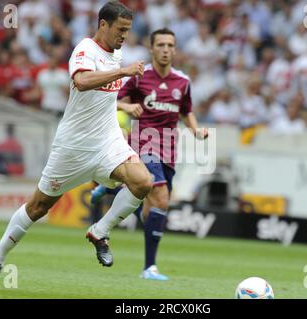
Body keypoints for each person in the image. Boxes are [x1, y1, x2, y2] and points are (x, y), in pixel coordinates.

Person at [0, 1, 153, 290]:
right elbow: (83, 82)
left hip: (107, 141)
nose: (125, 36)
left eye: (128, 30)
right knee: (38, 207)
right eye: (120, 30)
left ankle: (100, 231)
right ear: (103, 25)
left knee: (143, 182)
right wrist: (123, 72)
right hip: (73, 147)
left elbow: (102, 97)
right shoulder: (85, 50)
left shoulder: (116, 52)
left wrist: (122, 103)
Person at [90, 28, 208, 281]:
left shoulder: (182, 82)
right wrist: (127, 105)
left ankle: (111, 189)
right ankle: (150, 267)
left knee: (152, 206)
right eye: (161, 44)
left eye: (170, 45)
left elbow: (187, 111)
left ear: (175, 50)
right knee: (161, 197)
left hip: (169, 149)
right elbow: (113, 100)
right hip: (143, 144)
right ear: (152, 48)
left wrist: (196, 131)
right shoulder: (139, 78)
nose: (166, 49)